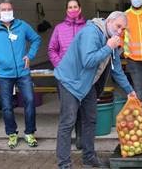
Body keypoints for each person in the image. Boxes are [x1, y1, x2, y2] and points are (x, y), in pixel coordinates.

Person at [54, 11, 137, 168]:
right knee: (68, 122)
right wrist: (108, 47)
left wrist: (129, 90)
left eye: (123, 29)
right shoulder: (91, 32)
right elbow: (88, 60)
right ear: (109, 22)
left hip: (87, 83)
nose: (120, 31)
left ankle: (89, 158)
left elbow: (117, 70)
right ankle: (64, 164)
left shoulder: (112, 40)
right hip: (70, 81)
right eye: (118, 26)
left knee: (90, 120)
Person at [0, 0, 41, 149]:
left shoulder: (22, 25)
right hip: (4, 74)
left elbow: (36, 39)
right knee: (6, 106)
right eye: (4, 9)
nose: (7, 12)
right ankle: (12, 134)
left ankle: (29, 133)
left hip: (23, 72)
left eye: (9, 9)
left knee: (30, 101)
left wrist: (30, 55)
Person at [48, 0, 86, 150]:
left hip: (83, 75)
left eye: (75, 6)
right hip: (65, 76)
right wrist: (60, 65)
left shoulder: (87, 27)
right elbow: (52, 50)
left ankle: (80, 138)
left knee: (83, 108)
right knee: (68, 110)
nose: (73, 9)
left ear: (80, 8)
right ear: (66, 10)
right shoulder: (59, 28)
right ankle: (64, 142)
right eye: (70, 7)